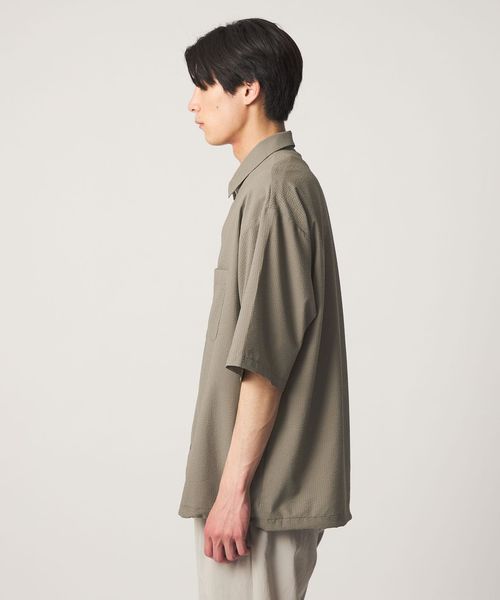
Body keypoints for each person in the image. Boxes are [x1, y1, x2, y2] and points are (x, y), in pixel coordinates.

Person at [178, 17, 352, 599]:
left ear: (248, 89)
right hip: (258, 496)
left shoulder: (276, 189)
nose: (192, 103)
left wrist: (232, 493)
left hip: (259, 501)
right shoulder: (266, 186)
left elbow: (264, 362)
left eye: (204, 85)